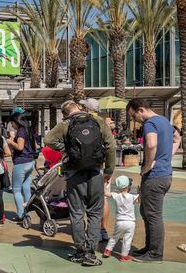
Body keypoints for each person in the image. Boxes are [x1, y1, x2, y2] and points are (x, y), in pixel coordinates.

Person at [45, 100, 116, 267]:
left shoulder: (65, 124)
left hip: (74, 174)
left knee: (77, 213)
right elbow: (111, 146)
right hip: (96, 173)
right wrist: (109, 171)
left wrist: (65, 149)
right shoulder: (98, 122)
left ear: (65, 113)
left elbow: (48, 140)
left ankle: (79, 251)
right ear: (79, 107)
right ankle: (91, 253)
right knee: (95, 213)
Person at [126, 98, 181, 263]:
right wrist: (166, 158)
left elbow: (151, 145)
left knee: (153, 215)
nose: (134, 120)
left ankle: (155, 253)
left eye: (134, 116)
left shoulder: (149, 123)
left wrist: (148, 166)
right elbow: (177, 138)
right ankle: (150, 248)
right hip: (164, 175)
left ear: (141, 110)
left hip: (155, 176)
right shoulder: (164, 121)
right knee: (147, 213)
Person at [80, 97, 111, 244]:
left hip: (82, 167)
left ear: (87, 109)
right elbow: (110, 146)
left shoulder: (81, 121)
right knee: (102, 199)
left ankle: (89, 233)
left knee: (84, 200)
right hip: (100, 166)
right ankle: (102, 230)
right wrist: (109, 170)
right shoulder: (102, 123)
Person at [7, 108, 36, 224]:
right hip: (30, 161)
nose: (12, 125)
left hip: (21, 162)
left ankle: (20, 214)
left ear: (16, 121)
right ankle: (27, 213)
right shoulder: (28, 130)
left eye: (12, 123)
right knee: (26, 188)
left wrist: (10, 142)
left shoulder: (20, 131)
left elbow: (19, 147)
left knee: (16, 190)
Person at [103, 175, 140, 262]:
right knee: (127, 239)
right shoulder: (132, 197)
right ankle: (124, 256)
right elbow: (140, 200)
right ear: (129, 186)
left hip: (119, 222)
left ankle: (107, 251)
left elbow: (106, 194)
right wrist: (140, 192)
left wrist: (105, 184)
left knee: (114, 237)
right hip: (130, 222)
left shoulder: (116, 195)